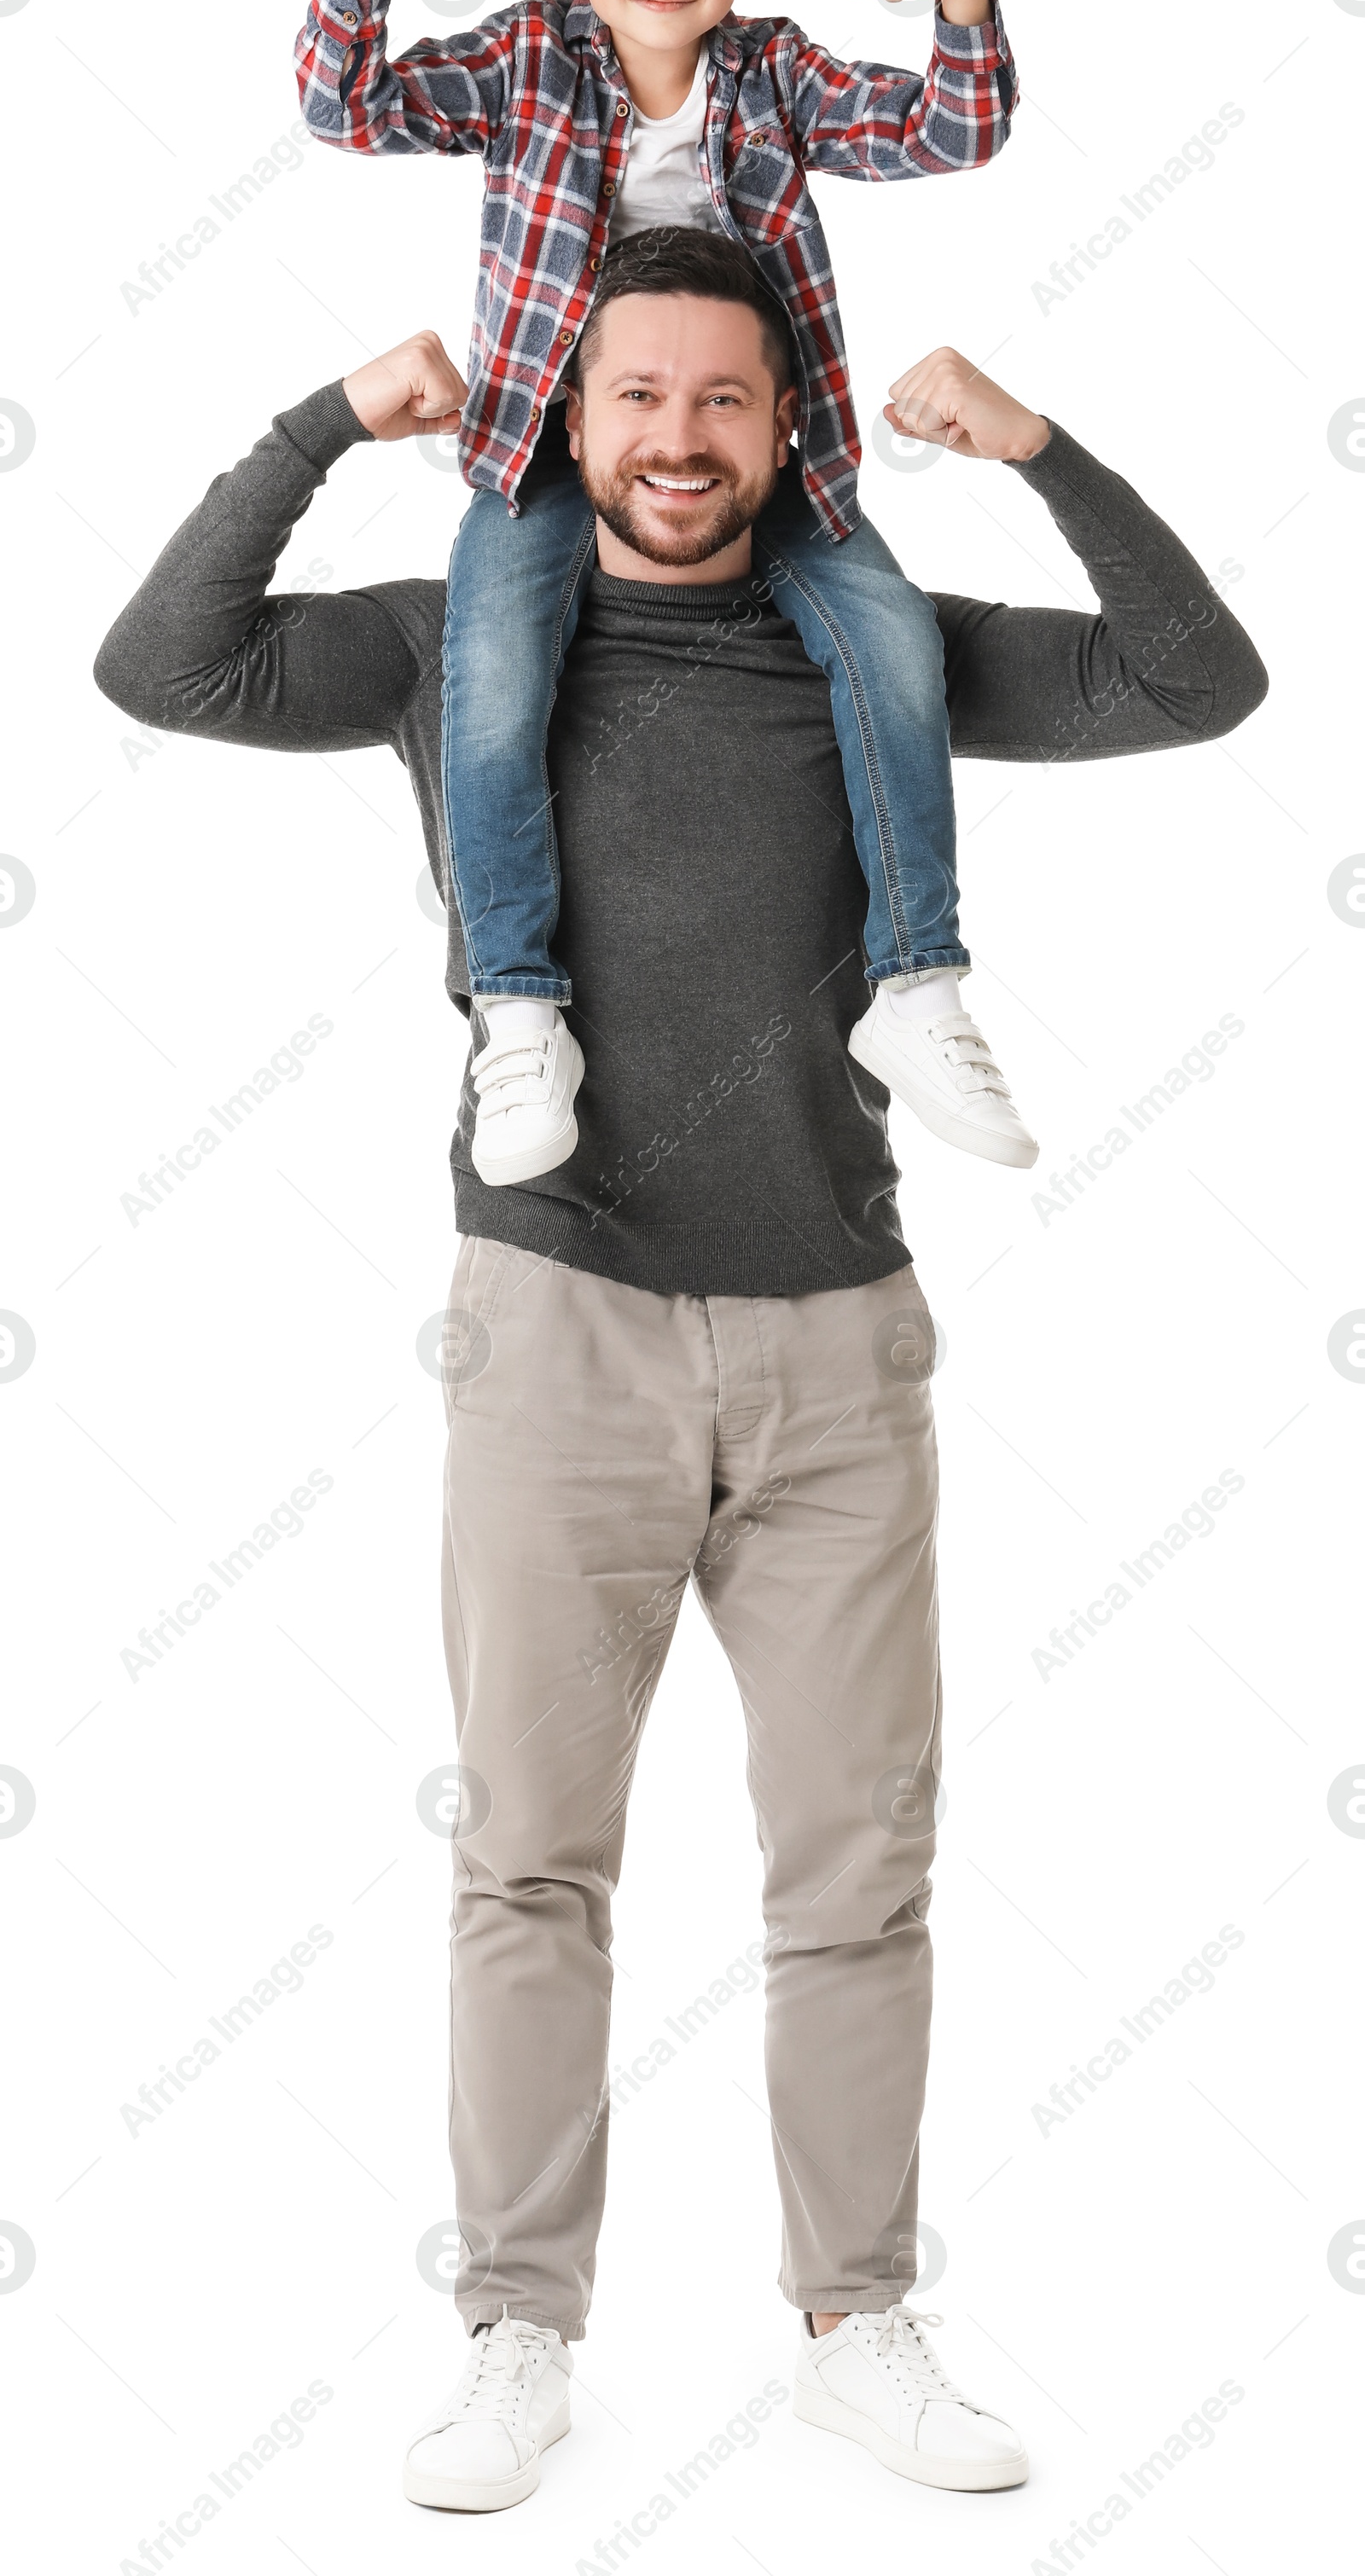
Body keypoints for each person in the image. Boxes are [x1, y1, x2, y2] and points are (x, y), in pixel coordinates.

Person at [94, 249, 1267, 2515]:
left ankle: (856, 2318)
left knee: (860, 1871)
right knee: (532, 1863)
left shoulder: (876, 658)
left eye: (726, 400)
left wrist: (1035, 449)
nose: (678, 437)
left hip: (841, 1345)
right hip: (559, 1334)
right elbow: (163, 661)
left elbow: (1194, 680)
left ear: (784, 424)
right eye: (637, 393)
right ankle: (516, 2331)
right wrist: (331, 417)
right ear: (567, 412)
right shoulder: (454, 643)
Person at [293, 0, 1038, 1186]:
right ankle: (517, 1008)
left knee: (891, 648)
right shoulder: (525, 61)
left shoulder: (779, 77)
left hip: (763, 462)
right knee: (492, 681)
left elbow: (955, 130)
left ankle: (919, 986)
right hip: (544, 454)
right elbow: (349, 110)